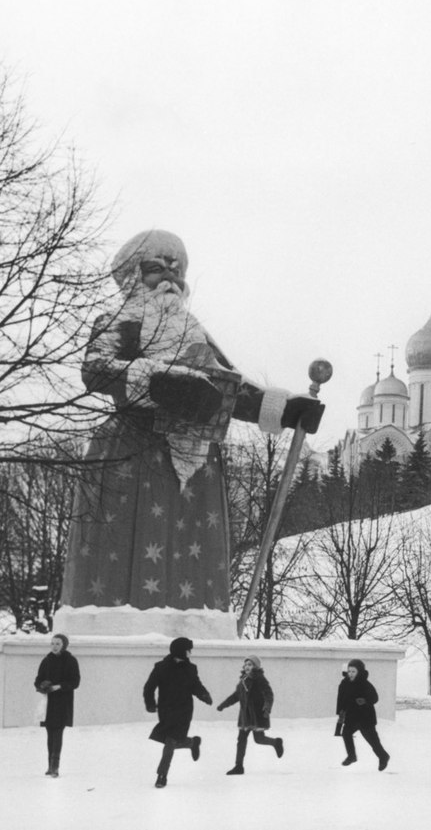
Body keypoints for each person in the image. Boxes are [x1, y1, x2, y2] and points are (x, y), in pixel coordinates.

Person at [60, 230, 321, 617]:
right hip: (132, 450)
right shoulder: (119, 320)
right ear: (132, 274)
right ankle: (117, 620)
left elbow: (230, 387)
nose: (169, 278)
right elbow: (97, 369)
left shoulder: (190, 329)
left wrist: (284, 409)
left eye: (176, 269)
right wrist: (155, 380)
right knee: (126, 541)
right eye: (155, 268)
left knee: (192, 548)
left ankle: (193, 623)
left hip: (196, 459)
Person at [143, 636, 212, 788]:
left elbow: (196, 686)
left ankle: (162, 775)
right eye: (188, 650)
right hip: (166, 710)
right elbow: (149, 687)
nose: (190, 653)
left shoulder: (191, 668)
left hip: (184, 711)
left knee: (170, 741)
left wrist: (204, 695)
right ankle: (192, 743)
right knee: (170, 740)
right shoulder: (161, 667)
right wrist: (150, 703)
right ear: (181, 651)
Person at [216, 655, 284, 775]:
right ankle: (238, 766)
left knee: (259, 739)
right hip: (245, 715)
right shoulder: (243, 680)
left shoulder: (260, 679)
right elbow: (236, 696)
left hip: (257, 714)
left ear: (256, 667)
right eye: (246, 664)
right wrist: (223, 705)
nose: (247, 666)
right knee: (241, 739)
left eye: (250, 664)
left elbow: (269, 694)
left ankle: (276, 742)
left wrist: (267, 708)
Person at [34, 633, 80, 778]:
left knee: (58, 732)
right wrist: (42, 685)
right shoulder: (46, 660)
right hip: (48, 702)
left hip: (63, 701)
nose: (54, 646)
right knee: (50, 733)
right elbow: (37, 679)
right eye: (52, 643)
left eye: (58, 644)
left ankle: (55, 766)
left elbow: (75, 682)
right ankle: (49, 765)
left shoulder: (71, 661)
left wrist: (59, 686)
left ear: (64, 645)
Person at [336, 658, 389, 770]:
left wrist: (365, 700)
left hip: (365, 717)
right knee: (346, 733)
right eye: (349, 671)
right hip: (351, 717)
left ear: (359, 672)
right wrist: (340, 713)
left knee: (372, 740)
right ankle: (351, 756)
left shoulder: (365, 684)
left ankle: (383, 756)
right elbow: (341, 699)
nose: (350, 674)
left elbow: (375, 698)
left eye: (353, 671)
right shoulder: (344, 683)